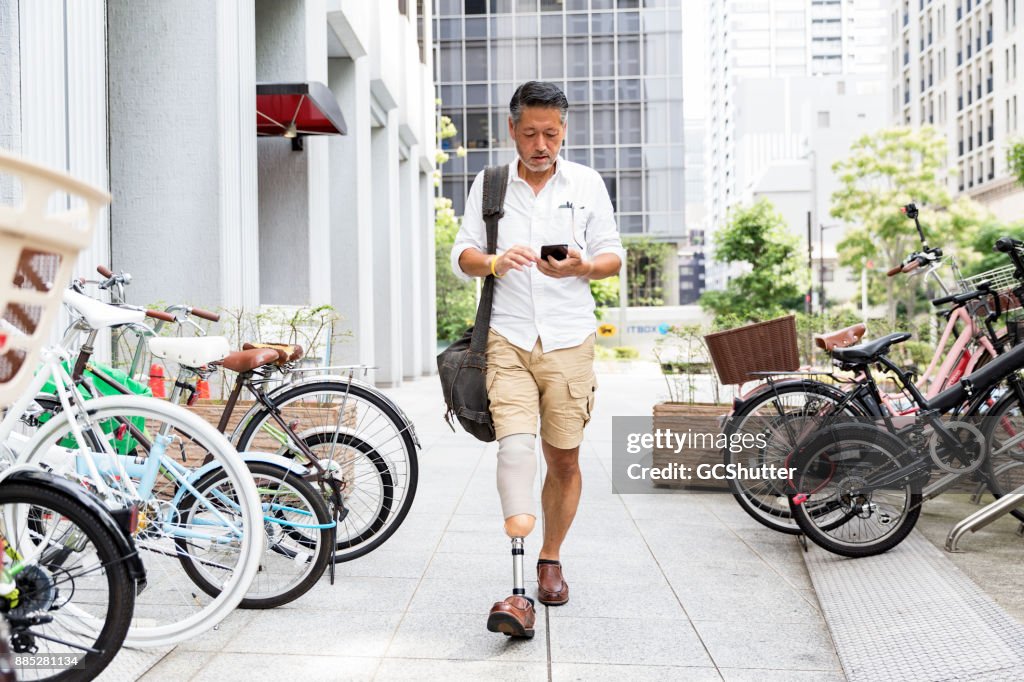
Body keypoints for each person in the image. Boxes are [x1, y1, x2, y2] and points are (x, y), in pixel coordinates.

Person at [450, 81, 625, 638]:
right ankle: (520, 584)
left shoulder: (587, 184)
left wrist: (582, 267)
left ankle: (550, 555)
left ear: (564, 130)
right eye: (530, 133)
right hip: (508, 337)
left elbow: (613, 256)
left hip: (570, 340)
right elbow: (463, 255)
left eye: (551, 133)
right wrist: (497, 262)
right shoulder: (491, 183)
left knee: (564, 460)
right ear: (512, 130)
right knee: (516, 450)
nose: (541, 143)